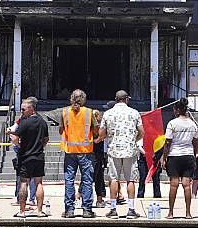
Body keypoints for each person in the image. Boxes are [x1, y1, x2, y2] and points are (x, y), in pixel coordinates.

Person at [97, 90, 144, 219]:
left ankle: (113, 209)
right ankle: (131, 209)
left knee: (113, 179)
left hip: (114, 149)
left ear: (116, 99)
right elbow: (141, 131)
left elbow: (101, 134)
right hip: (129, 149)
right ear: (126, 99)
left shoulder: (108, 113)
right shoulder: (134, 113)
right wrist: (134, 140)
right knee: (130, 179)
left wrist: (108, 137)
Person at [60, 89, 97, 218]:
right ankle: (87, 209)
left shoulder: (65, 112)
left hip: (70, 151)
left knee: (69, 181)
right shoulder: (89, 112)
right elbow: (96, 130)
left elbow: (61, 129)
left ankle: (69, 210)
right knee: (87, 181)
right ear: (84, 99)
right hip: (86, 152)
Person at [10, 97, 49, 218]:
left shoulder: (24, 122)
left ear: (31, 109)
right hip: (38, 155)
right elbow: (46, 139)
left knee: (23, 183)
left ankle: (22, 211)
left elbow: (15, 138)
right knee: (38, 183)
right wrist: (40, 146)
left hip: (25, 156)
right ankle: (39, 211)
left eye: (23, 109)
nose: (21, 112)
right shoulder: (42, 122)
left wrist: (19, 146)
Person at [161, 98, 198, 219]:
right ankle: (188, 213)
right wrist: (196, 154)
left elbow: (167, 142)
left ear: (177, 110)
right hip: (188, 155)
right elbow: (196, 141)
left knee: (174, 184)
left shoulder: (172, 123)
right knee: (187, 185)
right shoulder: (193, 124)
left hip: (174, 155)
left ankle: (171, 213)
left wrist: (164, 157)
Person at [92, 109, 107, 207]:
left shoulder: (95, 128)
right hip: (96, 155)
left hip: (99, 155)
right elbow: (98, 139)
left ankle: (100, 199)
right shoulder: (97, 129)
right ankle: (79, 195)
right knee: (93, 176)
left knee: (99, 178)